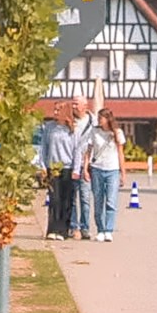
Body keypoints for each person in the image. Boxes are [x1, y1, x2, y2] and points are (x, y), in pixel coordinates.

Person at [84, 108, 127, 242]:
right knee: (98, 200)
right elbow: (88, 151)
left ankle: (109, 229)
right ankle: (100, 229)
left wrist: (123, 173)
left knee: (111, 201)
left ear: (108, 119)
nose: (99, 120)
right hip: (97, 169)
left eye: (101, 118)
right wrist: (85, 169)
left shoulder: (117, 133)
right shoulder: (94, 132)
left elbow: (120, 153)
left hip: (112, 169)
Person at [43, 104, 85, 240]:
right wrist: (43, 165)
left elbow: (77, 150)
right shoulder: (49, 127)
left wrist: (76, 169)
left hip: (68, 167)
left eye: (58, 110)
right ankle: (52, 229)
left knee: (66, 200)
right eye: (54, 109)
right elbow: (45, 147)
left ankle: (62, 230)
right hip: (53, 167)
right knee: (54, 199)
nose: (55, 112)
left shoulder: (73, 130)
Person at [68, 96, 96, 240]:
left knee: (85, 197)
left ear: (85, 105)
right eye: (72, 104)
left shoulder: (93, 122)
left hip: (86, 165)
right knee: (72, 198)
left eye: (76, 104)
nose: (73, 107)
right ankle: (73, 226)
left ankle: (85, 227)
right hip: (71, 164)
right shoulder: (69, 121)